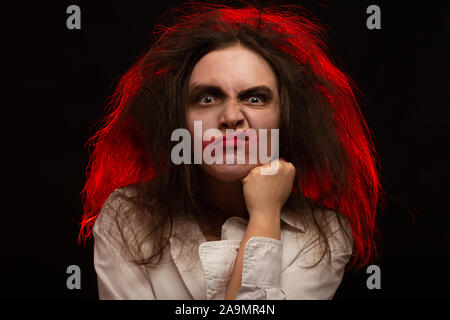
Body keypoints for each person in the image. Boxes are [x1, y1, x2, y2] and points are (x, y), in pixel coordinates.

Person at [79, 2, 382, 300]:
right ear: (179, 120)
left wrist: (264, 216)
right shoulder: (126, 216)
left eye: (255, 99)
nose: (231, 117)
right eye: (208, 97)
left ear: (285, 119)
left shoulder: (324, 234)